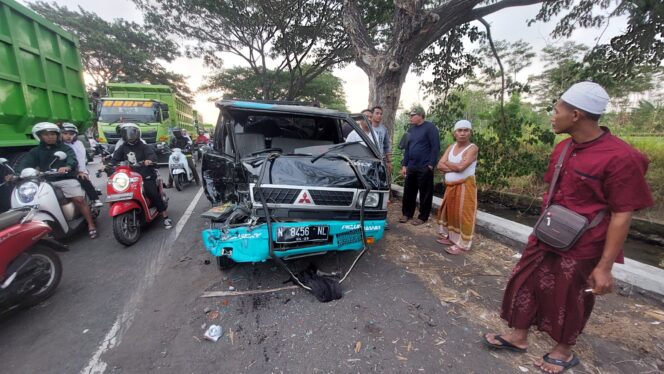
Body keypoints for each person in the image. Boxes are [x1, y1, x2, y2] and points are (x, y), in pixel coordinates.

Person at [484, 82, 653, 374]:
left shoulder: (621, 157)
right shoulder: (563, 148)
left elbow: (622, 214)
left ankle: (563, 350)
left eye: (557, 109)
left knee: (571, 295)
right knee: (524, 280)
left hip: (585, 242)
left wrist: (604, 266)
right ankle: (518, 335)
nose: (553, 115)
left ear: (576, 115)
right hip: (548, 233)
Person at [16, 122, 98, 238]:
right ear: (39, 136)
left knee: (78, 199)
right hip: (46, 180)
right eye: (46, 134)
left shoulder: (65, 148)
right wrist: (15, 174)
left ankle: (91, 224)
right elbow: (24, 164)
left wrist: (67, 167)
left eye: (53, 134)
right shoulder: (35, 151)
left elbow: (72, 159)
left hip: (66, 178)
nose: (51, 137)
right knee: (36, 202)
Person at [112, 123, 172, 229]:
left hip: (145, 174)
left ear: (137, 133)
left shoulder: (144, 146)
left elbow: (152, 155)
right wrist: (108, 165)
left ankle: (165, 216)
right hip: (129, 176)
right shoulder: (122, 147)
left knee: (152, 193)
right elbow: (115, 159)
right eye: (126, 133)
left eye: (132, 133)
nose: (129, 136)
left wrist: (149, 161)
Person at [435, 120, 478, 255]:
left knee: (464, 215)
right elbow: (439, 165)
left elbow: (461, 168)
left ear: (470, 132)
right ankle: (452, 238)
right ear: (455, 133)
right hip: (451, 186)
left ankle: (463, 244)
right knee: (450, 213)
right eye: (460, 130)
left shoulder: (472, 148)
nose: (462, 133)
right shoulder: (451, 147)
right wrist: (454, 166)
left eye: (466, 130)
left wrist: (447, 163)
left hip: (466, 186)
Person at [399, 105, 440, 225]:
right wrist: (404, 165)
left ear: (421, 115)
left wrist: (431, 165)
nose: (410, 118)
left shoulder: (430, 128)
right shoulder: (411, 130)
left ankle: (422, 217)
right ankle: (407, 214)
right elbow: (407, 148)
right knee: (408, 192)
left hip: (425, 167)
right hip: (411, 166)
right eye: (410, 116)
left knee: (425, 193)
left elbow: (435, 147)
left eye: (412, 115)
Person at [61, 123, 104, 208]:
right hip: (61, 171)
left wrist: (81, 171)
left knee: (83, 178)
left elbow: (81, 158)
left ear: (75, 135)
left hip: (77, 169)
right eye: (65, 133)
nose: (68, 136)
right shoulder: (59, 145)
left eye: (71, 134)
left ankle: (95, 199)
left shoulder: (78, 144)